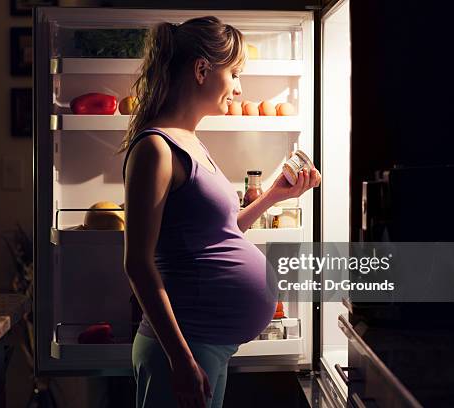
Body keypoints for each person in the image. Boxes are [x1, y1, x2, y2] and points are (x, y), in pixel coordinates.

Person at [119, 16, 321, 408]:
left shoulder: (192, 142)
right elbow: (138, 264)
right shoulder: (155, 150)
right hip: (183, 347)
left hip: (209, 345)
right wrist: (180, 359)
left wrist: (272, 198)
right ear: (201, 70)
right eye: (235, 73)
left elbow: (219, 232)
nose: (239, 86)